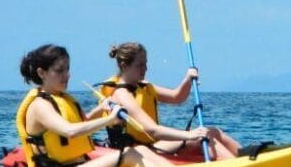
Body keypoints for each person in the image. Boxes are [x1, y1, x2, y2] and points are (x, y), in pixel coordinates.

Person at [16, 44, 174, 167]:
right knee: (129, 153)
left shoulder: (62, 99)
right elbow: (70, 131)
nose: (67, 75)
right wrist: (110, 119)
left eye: (67, 69)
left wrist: (102, 108)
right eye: (59, 70)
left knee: (140, 149)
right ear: (41, 73)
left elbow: (82, 126)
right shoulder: (40, 105)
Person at [98, 42, 240, 160]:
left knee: (213, 131)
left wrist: (187, 80)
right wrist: (189, 135)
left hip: (151, 145)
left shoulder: (144, 87)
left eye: (145, 64)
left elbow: (176, 97)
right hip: (137, 152)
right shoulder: (122, 95)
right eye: (140, 65)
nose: (145, 69)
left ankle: (247, 156)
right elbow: (153, 130)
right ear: (124, 66)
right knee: (204, 137)